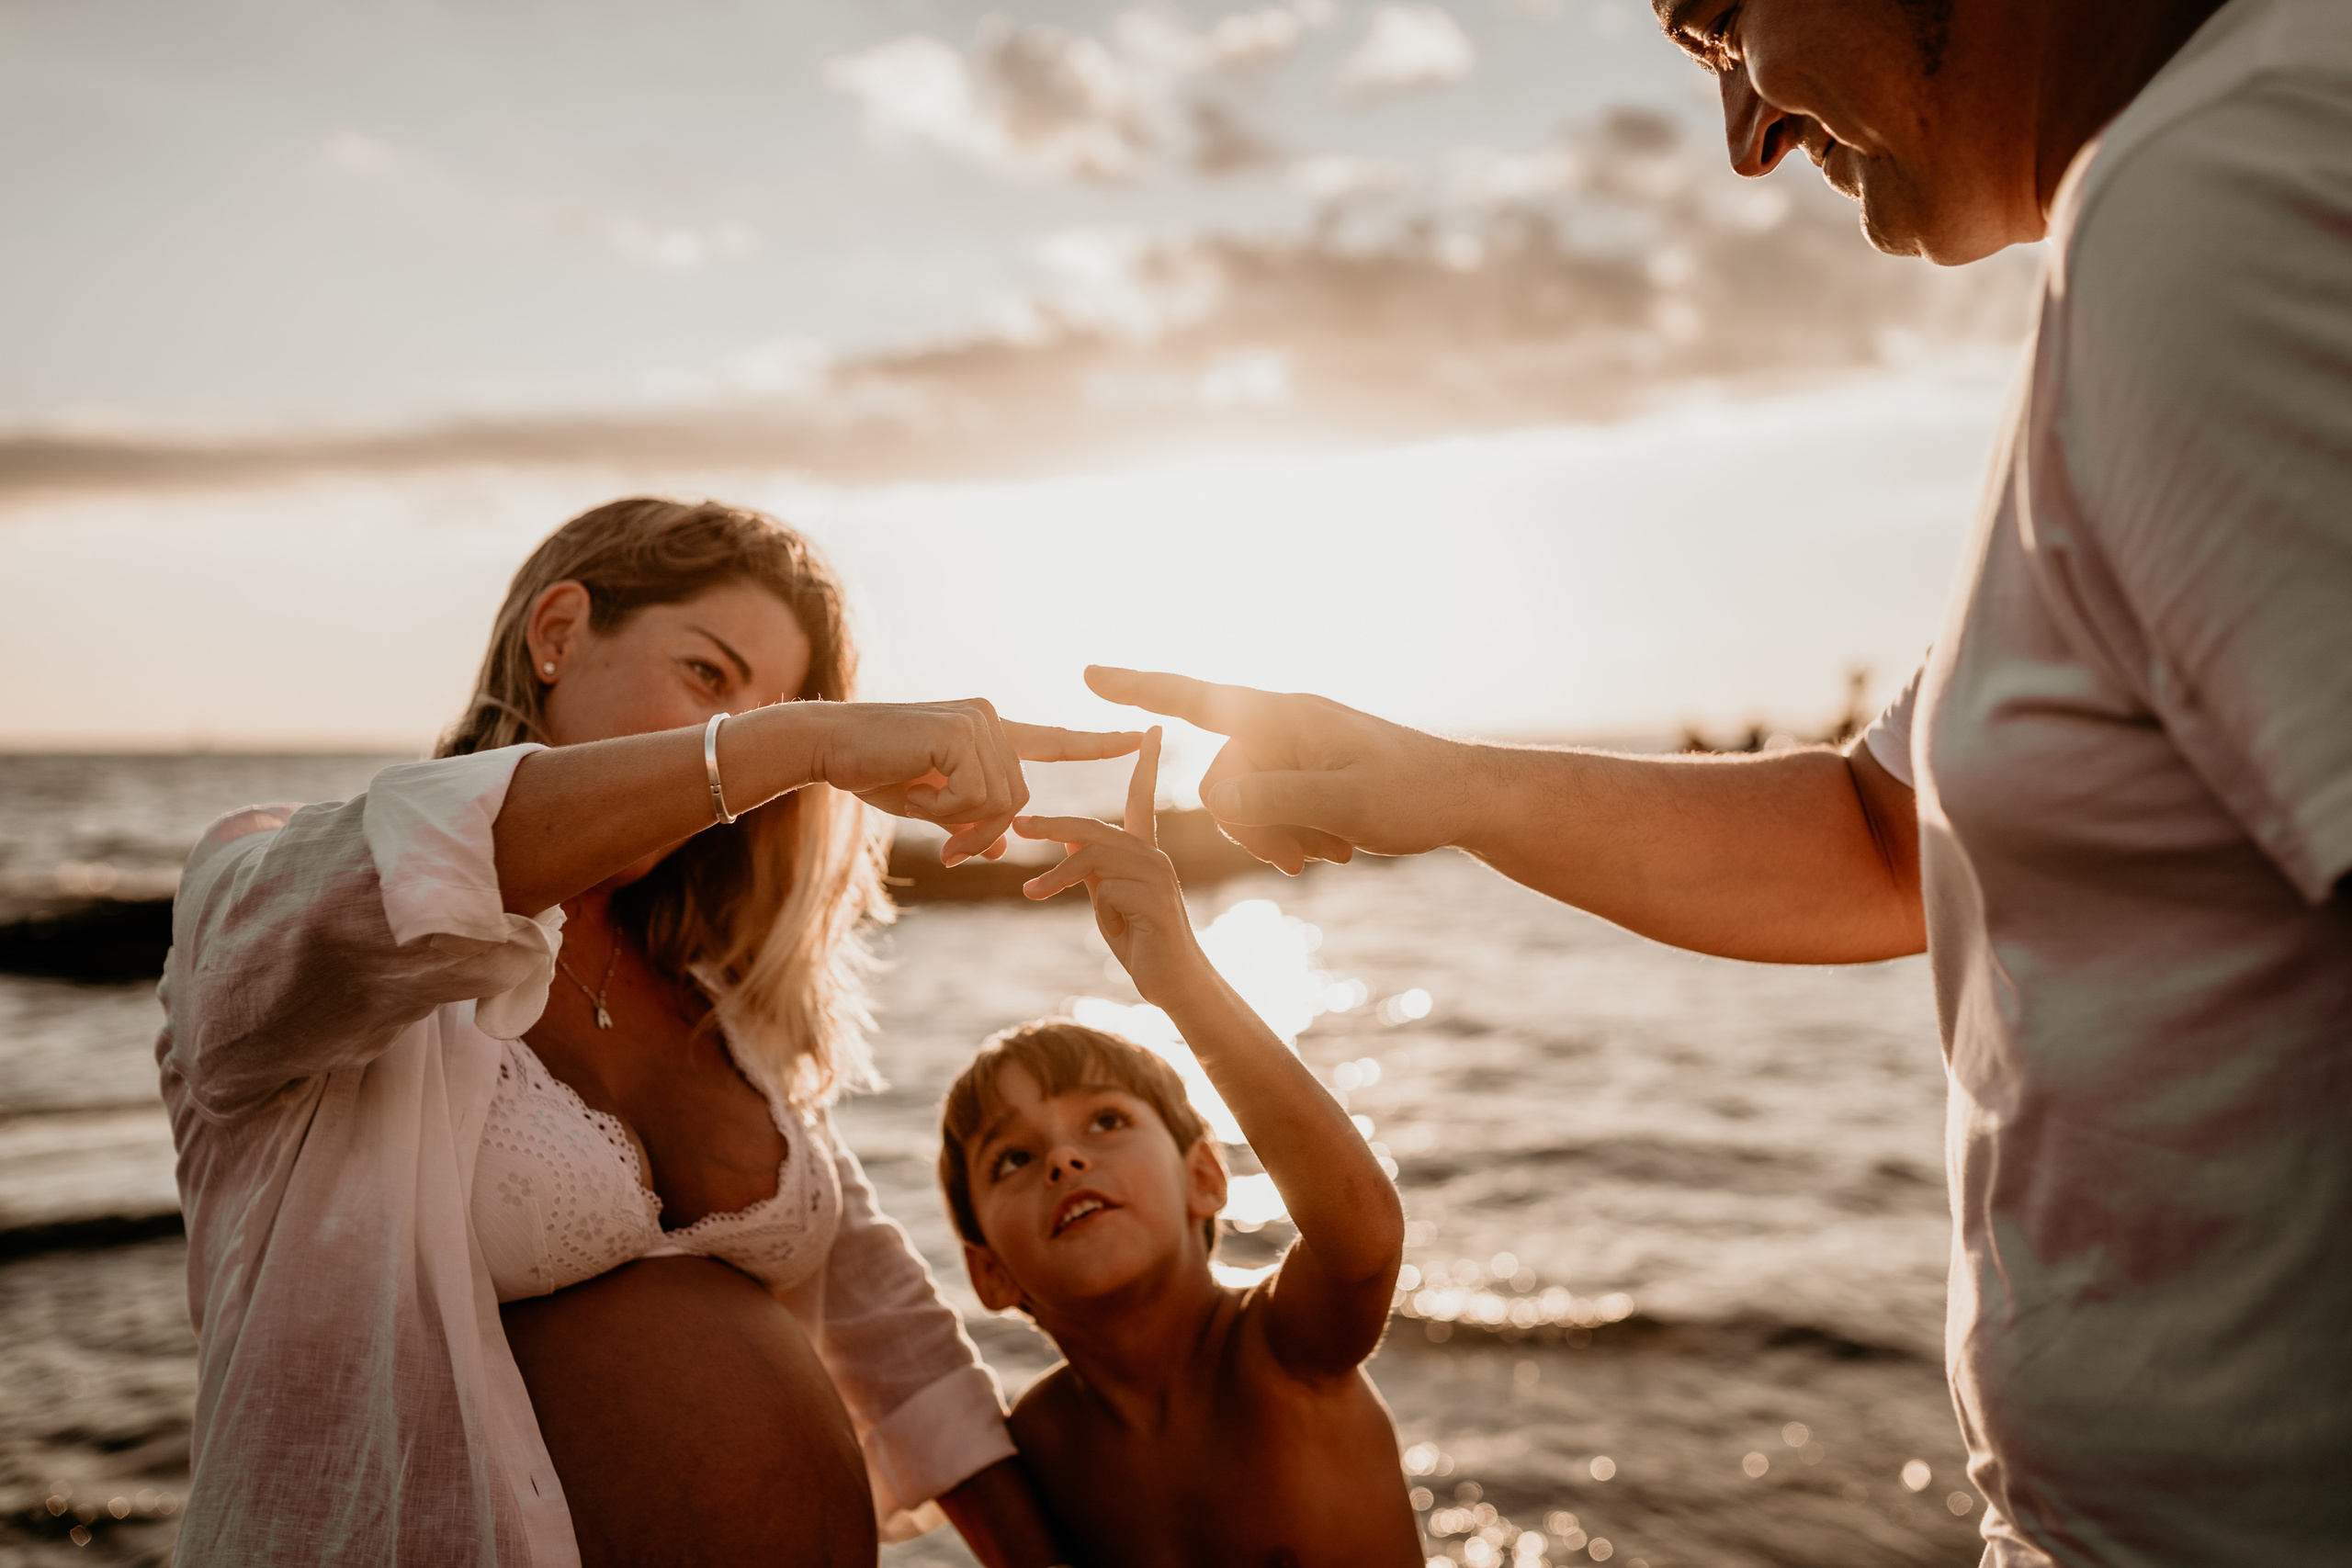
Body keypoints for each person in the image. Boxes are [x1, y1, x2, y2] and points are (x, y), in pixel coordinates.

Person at [1087, 0, 2352, 1561]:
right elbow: (1881, 835)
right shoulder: (2182, 200)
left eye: (1721, 24)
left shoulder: (2224, 190)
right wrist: (1437, 784)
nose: (1746, 139)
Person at [160, 497, 1136, 1566]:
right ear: (558, 634)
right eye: (711, 680)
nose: (755, 759)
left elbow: (891, 1338)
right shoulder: (285, 910)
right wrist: (803, 737)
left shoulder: (719, 1007)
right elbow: (408, 863)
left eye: (775, 712)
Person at [933, 732, 1420, 1567]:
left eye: (1106, 1123)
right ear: (990, 1274)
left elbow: (1363, 1239)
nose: (1063, 1160)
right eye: (1012, 1159)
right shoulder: (1042, 1444)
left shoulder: (1277, 1350)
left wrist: (1180, 980)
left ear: (1203, 1176)